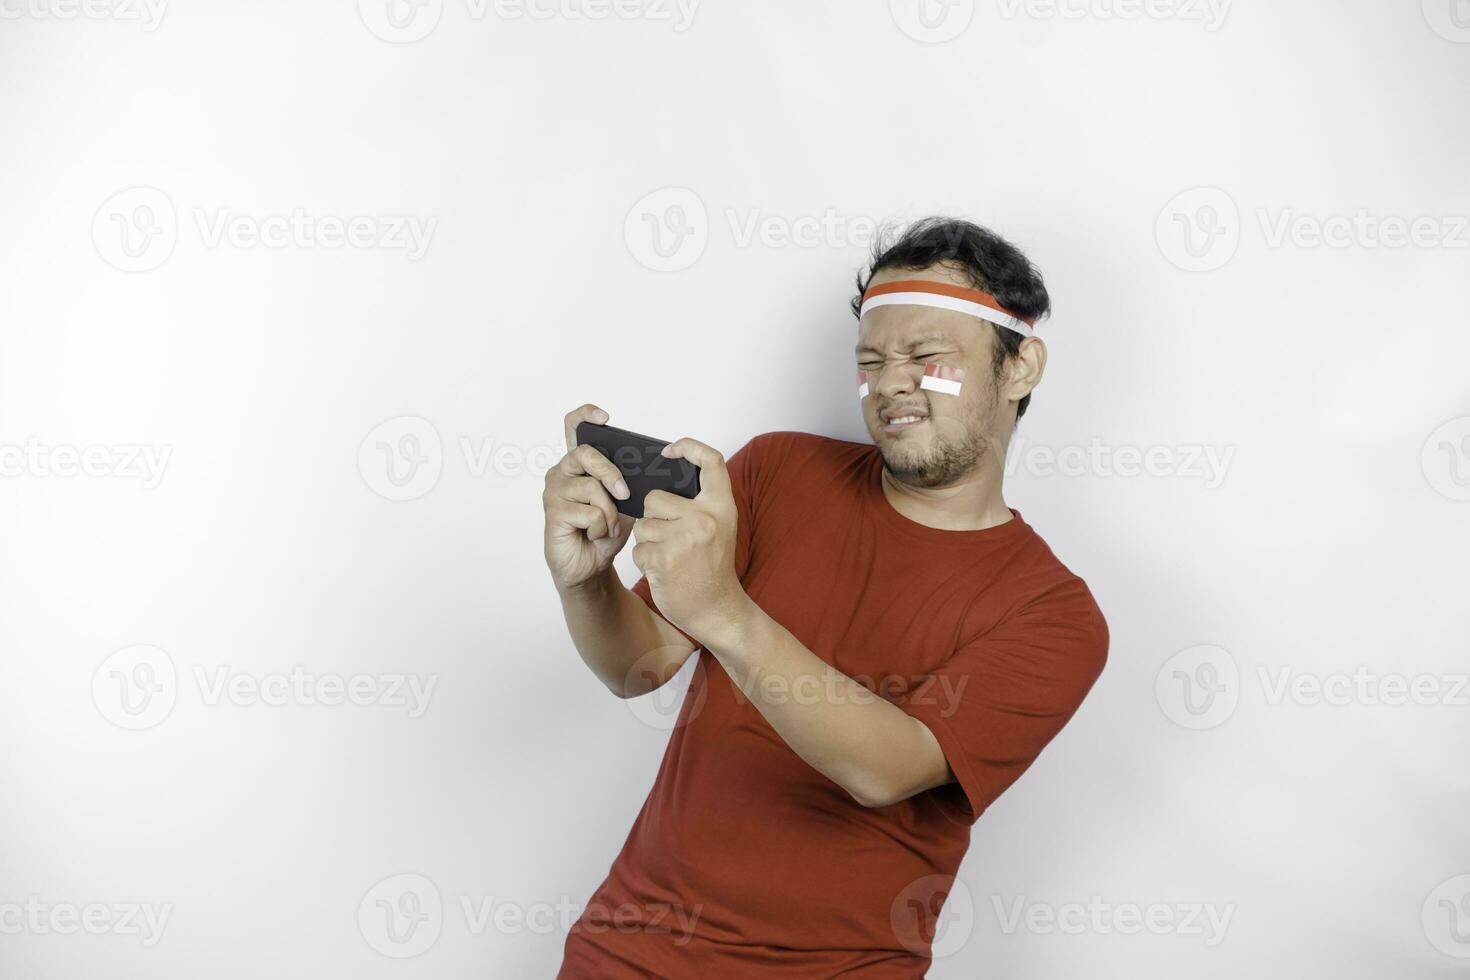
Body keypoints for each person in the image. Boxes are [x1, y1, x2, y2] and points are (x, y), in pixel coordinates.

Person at [543, 217, 1109, 977]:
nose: (891, 384)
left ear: (1021, 366)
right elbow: (636, 667)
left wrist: (725, 614)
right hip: (627, 954)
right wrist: (586, 582)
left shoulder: (1055, 615)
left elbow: (888, 769)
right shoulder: (777, 470)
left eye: (928, 356)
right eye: (870, 361)